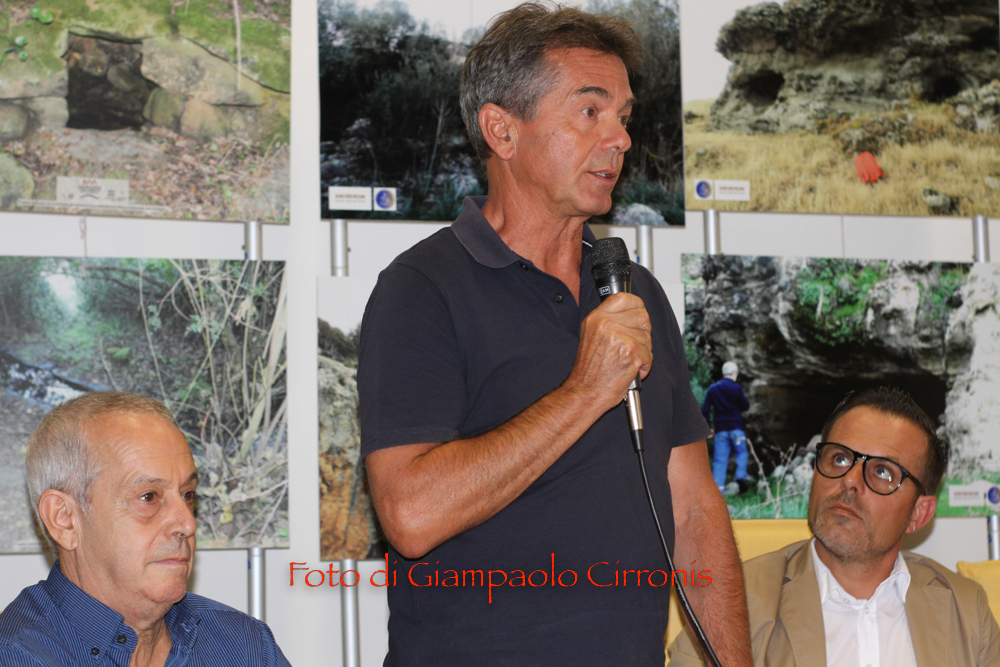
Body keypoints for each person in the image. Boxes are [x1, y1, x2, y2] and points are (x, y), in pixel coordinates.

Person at [357, 4, 753, 665]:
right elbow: (412, 516)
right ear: (502, 131)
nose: (620, 138)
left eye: (623, 116)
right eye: (590, 111)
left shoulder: (636, 293)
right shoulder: (422, 288)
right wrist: (584, 391)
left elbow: (693, 510)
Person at [668, 387, 1000, 666]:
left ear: (919, 514)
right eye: (840, 458)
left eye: (882, 471)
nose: (850, 481)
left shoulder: (967, 611)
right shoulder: (731, 602)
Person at [0, 392, 291, 667]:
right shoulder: (17, 655)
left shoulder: (245, 645)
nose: (188, 523)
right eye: (149, 497)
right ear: (64, 518)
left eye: (188, 494)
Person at [701, 361, 751, 492]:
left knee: (720, 460)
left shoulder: (713, 389)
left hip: (721, 430)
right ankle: (740, 475)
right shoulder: (736, 388)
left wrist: (708, 428)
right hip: (736, 428)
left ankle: (719, 490)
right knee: (741, 452)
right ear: (734, 373)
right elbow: (745, 405)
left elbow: (705, 410)